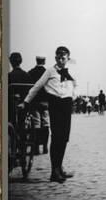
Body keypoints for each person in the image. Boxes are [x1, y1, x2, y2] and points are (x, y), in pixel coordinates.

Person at [21, 46, 77, 183]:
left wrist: (74, 95)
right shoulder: (50, 71)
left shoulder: (72, 71)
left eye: (63, 57)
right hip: (55, 105)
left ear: (68, 58)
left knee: (64, 138)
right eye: (58, 57)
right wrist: (26, 102)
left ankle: (60, 167)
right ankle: (54, 171)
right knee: (57, 136)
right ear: (55, 58)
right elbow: (37, 86)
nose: (60, 59)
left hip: (66, 105)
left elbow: (76, 84)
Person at [28, 56, 50, 154]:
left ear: (36, 61)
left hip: (35, 103)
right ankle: (45, 147)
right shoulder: (48, 73)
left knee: (36, 124)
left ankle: (36, 147)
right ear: (44, 61)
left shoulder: (30, 72)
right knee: (46, 123)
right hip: (45, 103)